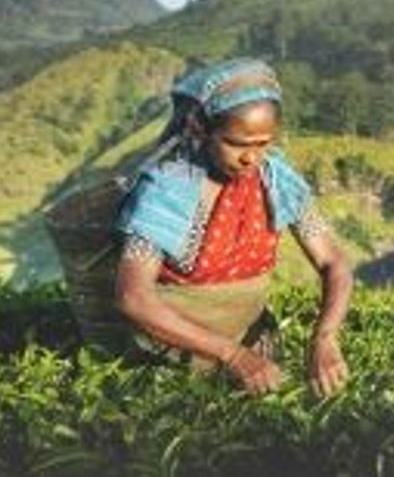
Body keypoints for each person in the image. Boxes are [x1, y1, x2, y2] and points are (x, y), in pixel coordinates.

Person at [115, 58, 353, 397]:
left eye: (263, 143)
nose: (251, 158)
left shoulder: (276, 179)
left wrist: (325, 338)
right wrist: (232, 355)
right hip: (170, 362)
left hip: (255, 355)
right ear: (200, 129)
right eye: (237, 143)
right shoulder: (167, 190)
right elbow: (133, 298)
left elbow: (334, 263)